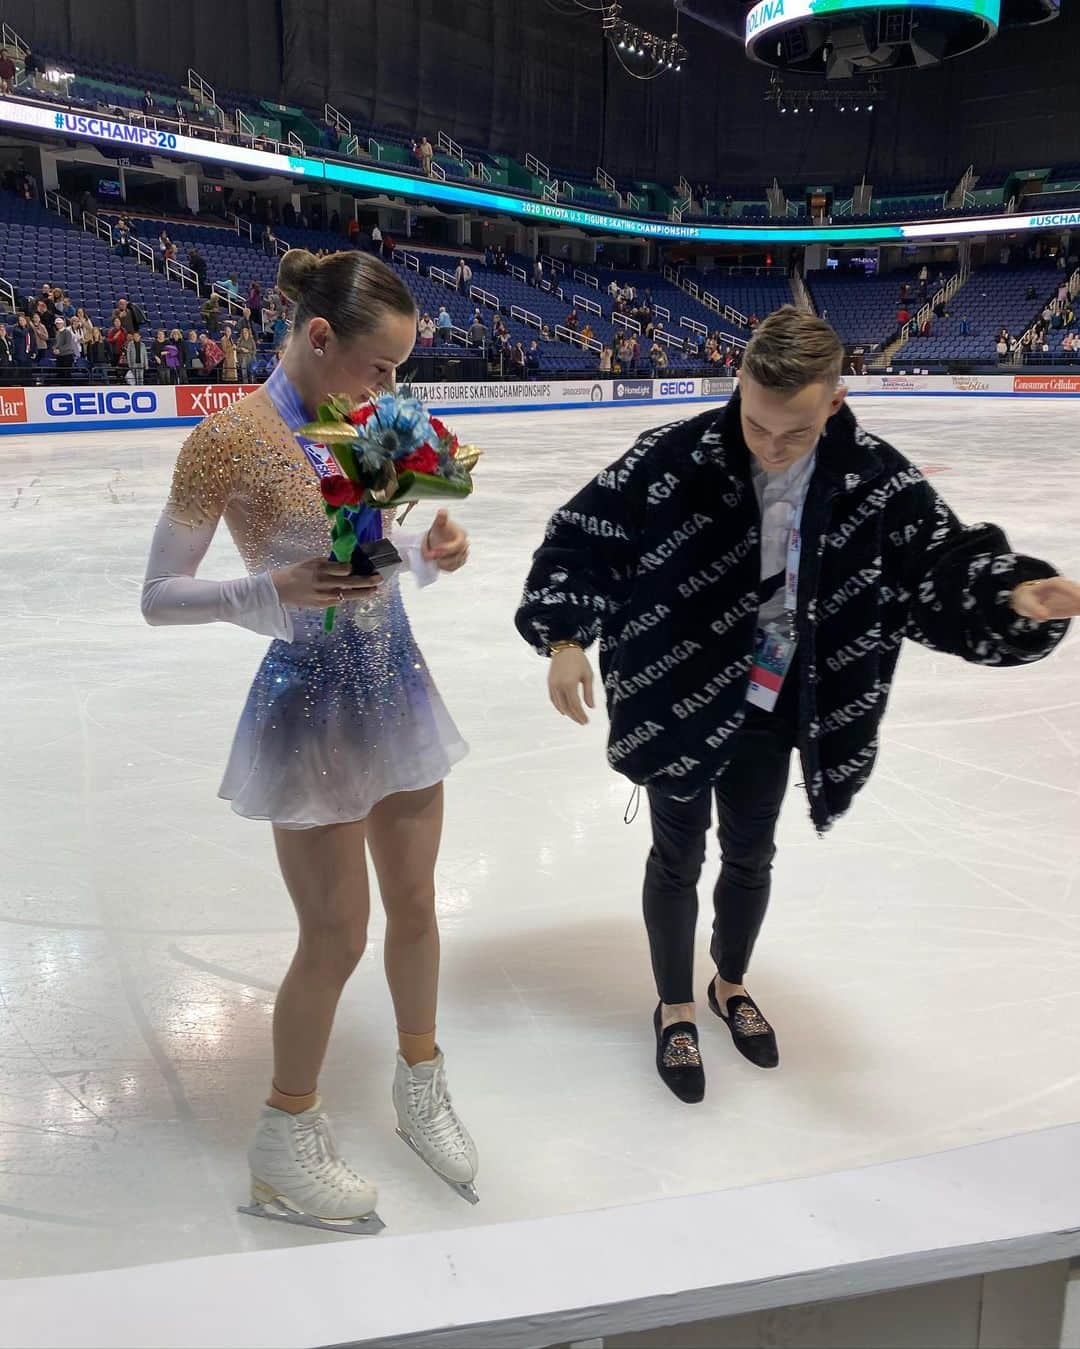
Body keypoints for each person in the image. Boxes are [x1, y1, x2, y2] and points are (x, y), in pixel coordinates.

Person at [515, 306, 1077, 1103]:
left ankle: (730, 983)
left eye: (796, 433)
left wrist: (1015, 595)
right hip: (675, 695)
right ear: (739, 384)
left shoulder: (876, 479)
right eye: (756, 424)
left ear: (835, 404)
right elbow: (583, 536)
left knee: (752, 852)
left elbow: (940, 569)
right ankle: (675, 1002)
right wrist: (566, 637)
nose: (771, 446)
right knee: (677, 857)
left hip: (781, 706)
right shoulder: (670, 457)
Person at [141, 246, 478, 1227]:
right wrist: (269, 589)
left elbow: (369, 550)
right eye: (381, 366)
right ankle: (283, 1137)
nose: (392, 387)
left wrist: (428, 549)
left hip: (397, 683)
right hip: (311, 705)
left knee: (416, 901)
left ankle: (421, 1081)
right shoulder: (229, 440)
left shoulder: (360, 418)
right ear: (319, 338)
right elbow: (158, 595)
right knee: (336, 933)